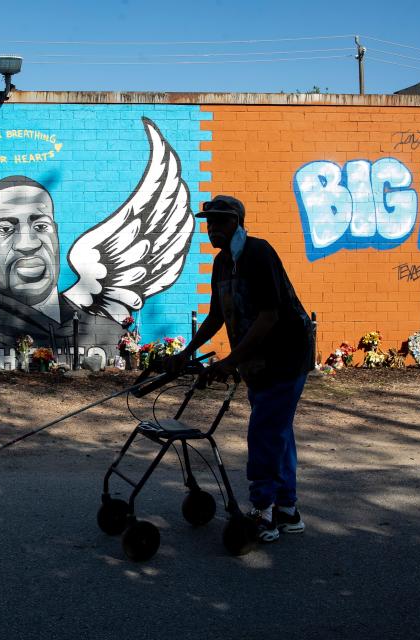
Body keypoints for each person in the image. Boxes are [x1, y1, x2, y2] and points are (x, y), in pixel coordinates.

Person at [165, 195, 312, 543]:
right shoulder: (221, 263)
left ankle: (263, 512)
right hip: (258, 361)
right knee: (277, 430)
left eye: (220, 222)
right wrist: (187, 352)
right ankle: (288, 511)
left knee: (264, 432)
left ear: (238, 223)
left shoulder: (258, 254)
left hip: (286, 355)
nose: (212, 228)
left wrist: (230, 362)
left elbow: (269, 316)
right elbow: (217, 316)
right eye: (209, 222)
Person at [0, 176, 122, 358]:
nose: (28, 244)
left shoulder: (111, 335)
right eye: (6, 229)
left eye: (41, 227)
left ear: (56, 233)